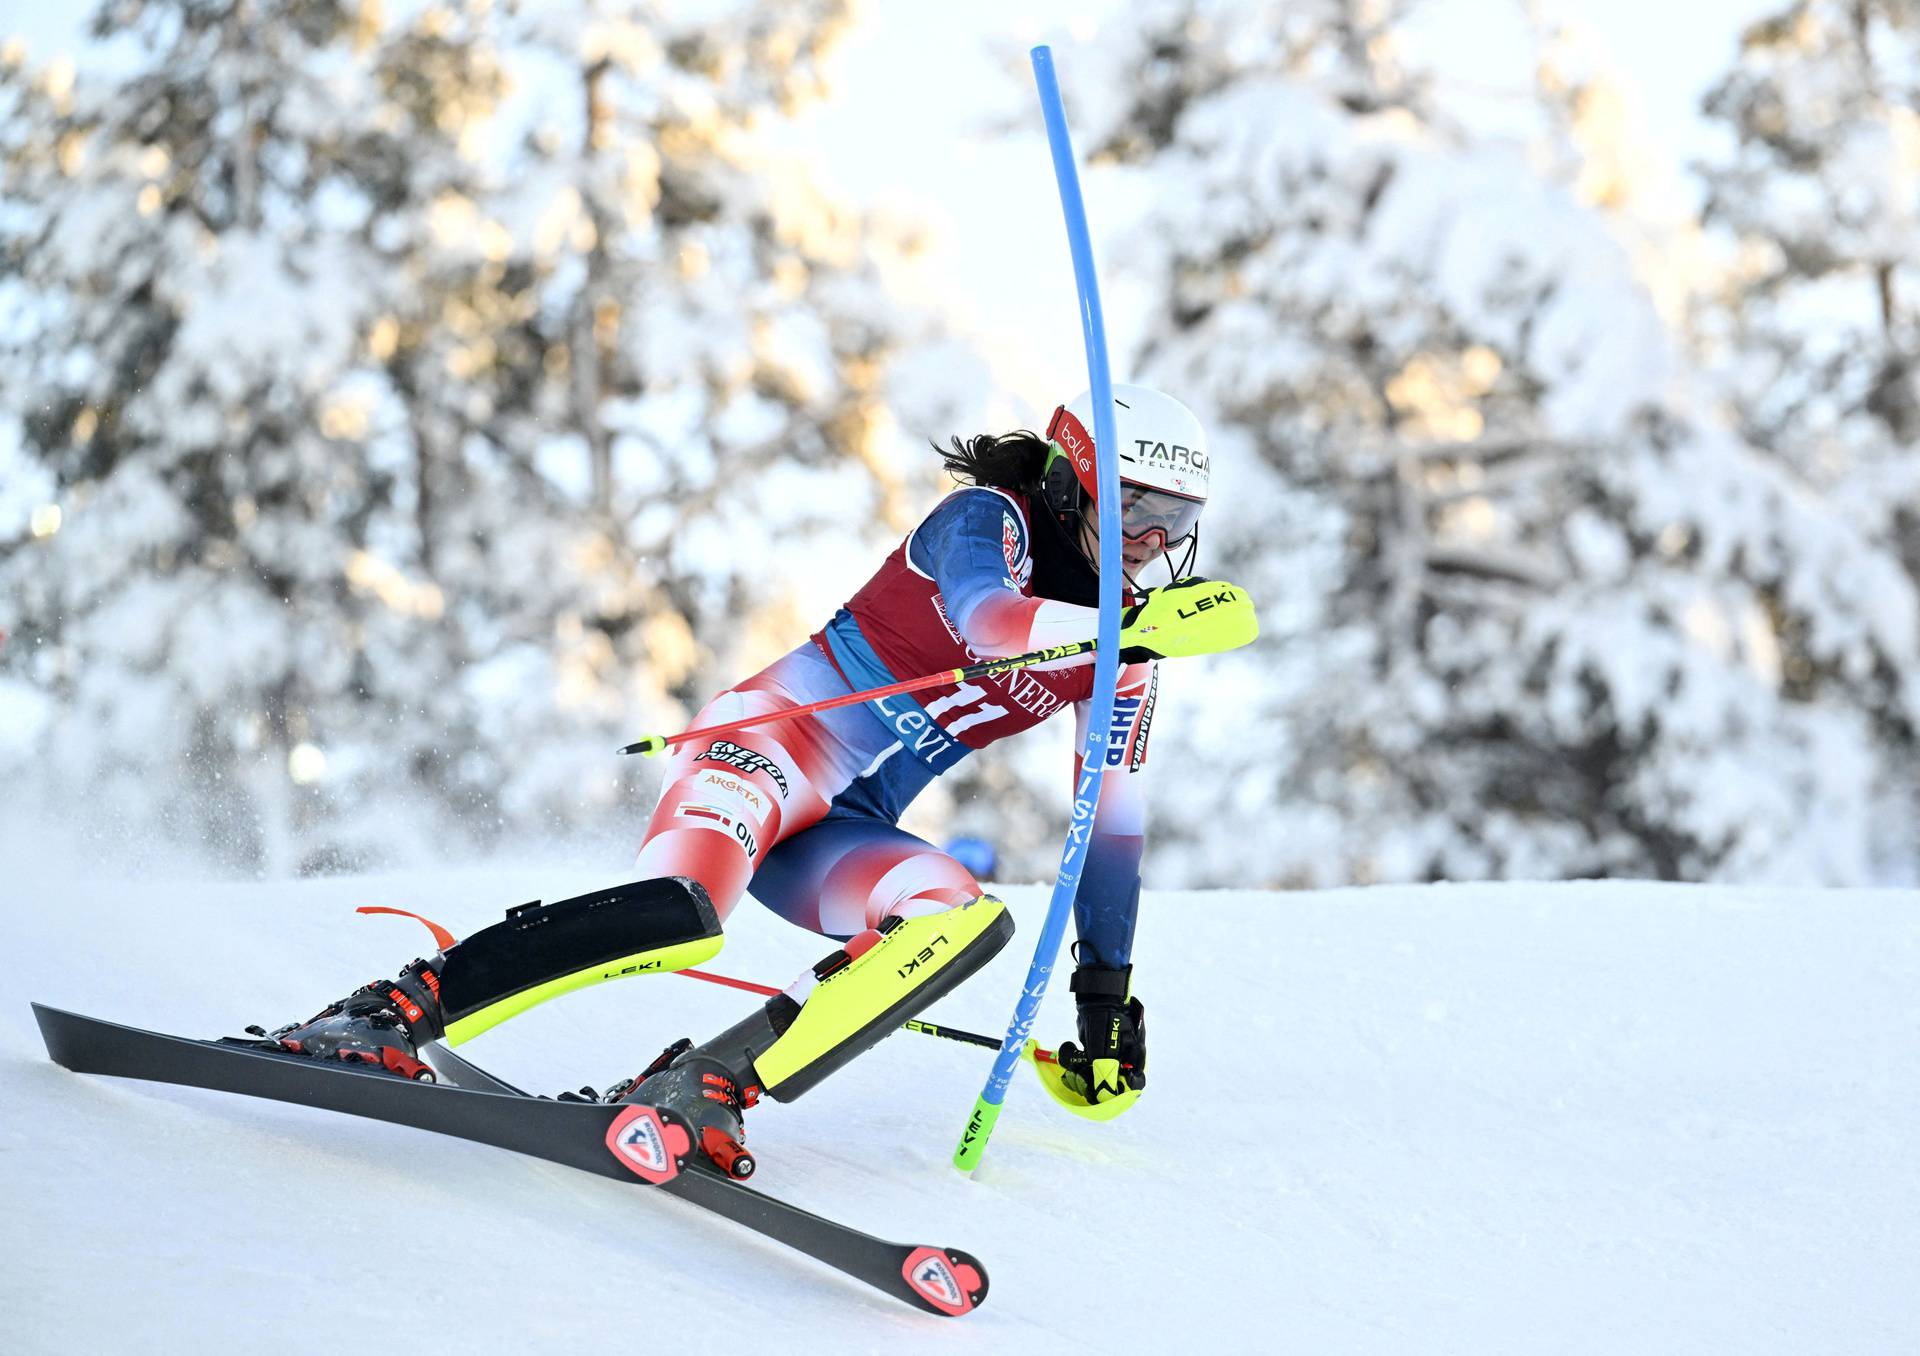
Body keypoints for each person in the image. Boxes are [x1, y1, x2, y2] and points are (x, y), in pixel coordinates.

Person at [267, 383, 1232, 1176]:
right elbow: (986, 621)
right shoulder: (988, 521)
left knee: (961, 917)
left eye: (1174, 523)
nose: (1151, 545)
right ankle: (393, 1009)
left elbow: (1110, 832)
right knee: (684, 911)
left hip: (839, 828)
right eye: (1137, 511)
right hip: (767, 751)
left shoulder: (1126, 648)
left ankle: (713, 1083)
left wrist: (1106, 997)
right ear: (1075, 486)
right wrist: (1121, 633)